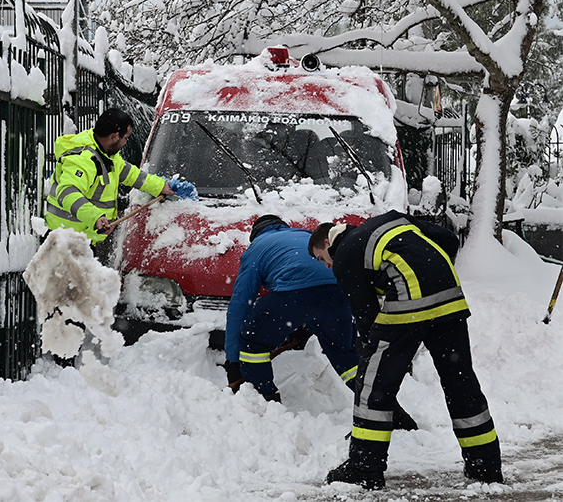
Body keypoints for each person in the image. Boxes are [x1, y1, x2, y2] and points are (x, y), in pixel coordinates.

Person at [308, 210, 503, 489]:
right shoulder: (390, 220)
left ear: (328, 242)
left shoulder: (346, 255)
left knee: (372, 385)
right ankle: (485, 465)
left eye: (320, 258)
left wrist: (370, 348)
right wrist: (434, 274)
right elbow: (447, 238)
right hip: (449, 296)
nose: (326, 266)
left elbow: (365, 313)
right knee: (460, 381)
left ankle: (364, 466)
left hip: (408, 301)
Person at [224, 214, 418, 433]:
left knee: (252, 341)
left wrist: (232, 359)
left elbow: (241, 303)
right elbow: (320, 279)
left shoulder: (256, 248)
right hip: (337, 294)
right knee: (346, 357)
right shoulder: (305, 236)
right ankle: (390, 411)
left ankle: (264, 405)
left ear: (255, 234)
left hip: (293, 295)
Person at [45, 108, 186, 252]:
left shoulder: (106, 154)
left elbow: (130, 174)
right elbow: (67, 192)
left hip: (81, 239)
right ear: (115, 136)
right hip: (63, 243)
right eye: (126, 138)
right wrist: (96, 218)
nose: (126, 142)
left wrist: (162, 186)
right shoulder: (84, 159)